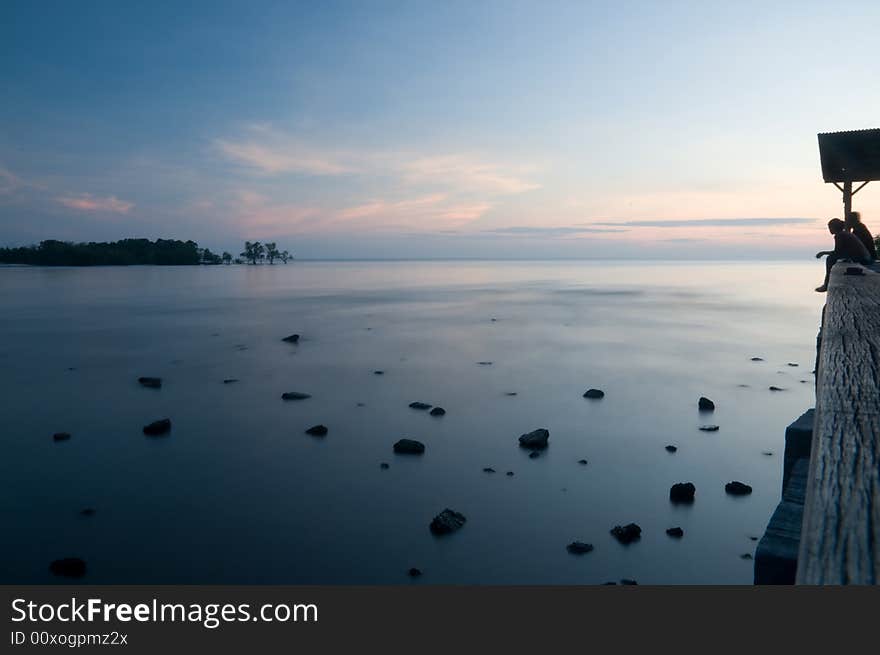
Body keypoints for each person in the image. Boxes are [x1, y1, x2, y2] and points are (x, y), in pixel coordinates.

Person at [815, 218, 871, 292]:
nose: (829, 230)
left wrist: (823, 253)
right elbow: (841, 251)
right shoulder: (844, 234)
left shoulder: (840, 235)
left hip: (862, 259)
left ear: (834, 227)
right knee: (832, 258)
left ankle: (826, 284)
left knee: (830, 259)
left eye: (830, 228)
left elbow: (837, 252)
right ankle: (826, 283)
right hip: (864, 258)